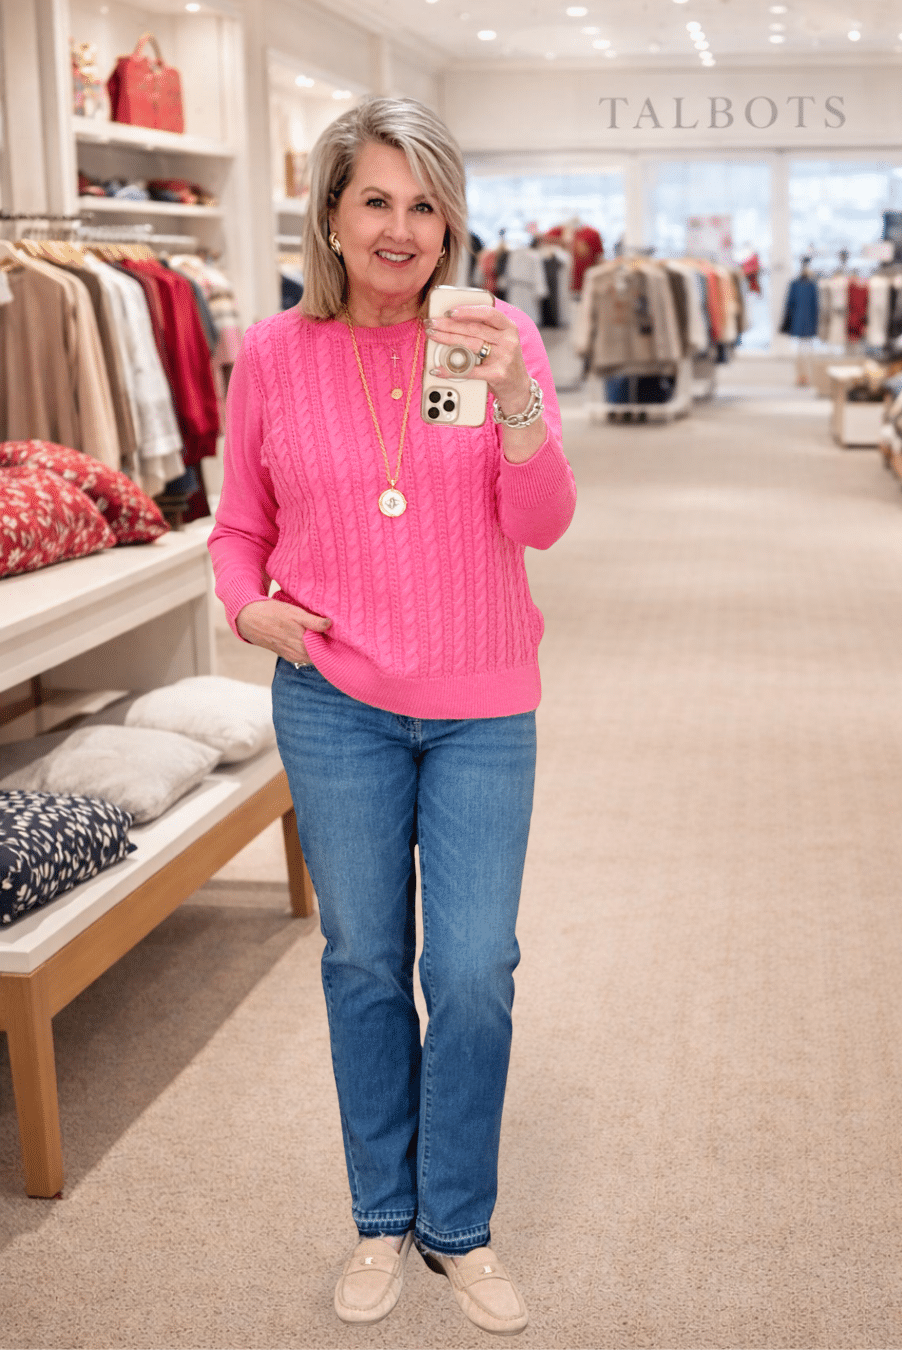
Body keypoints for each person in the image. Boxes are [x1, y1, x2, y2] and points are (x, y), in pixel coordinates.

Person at [207, 97, 576, 1336]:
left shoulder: (492, 335)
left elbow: (540, 525)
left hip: (480, 703)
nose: (402, 228)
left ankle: (457, 1228)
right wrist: (241, 606)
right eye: (377, 199)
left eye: (425, 204)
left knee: (471, 971)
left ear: (451, 219)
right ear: (331, 213)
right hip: (333, 701)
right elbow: (238, 527)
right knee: (364, 965)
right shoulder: (272, 352)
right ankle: (381, 1214)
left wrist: (519, 393)